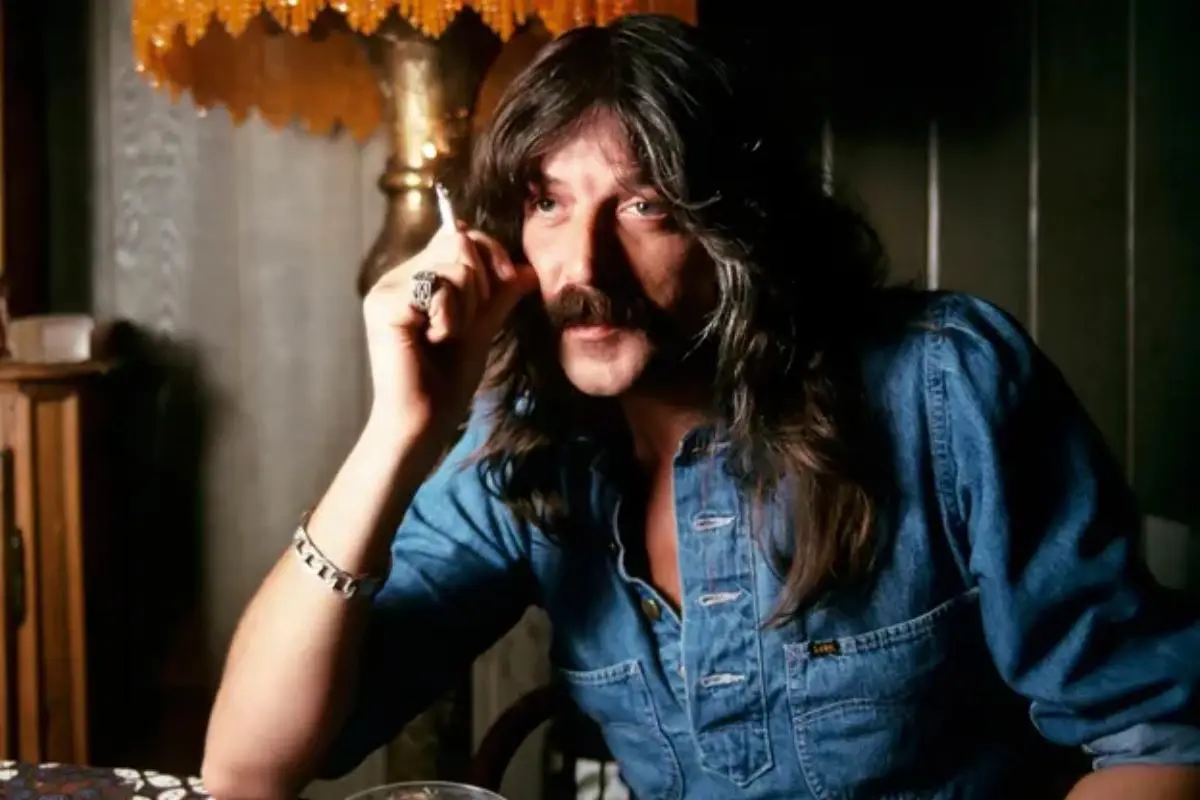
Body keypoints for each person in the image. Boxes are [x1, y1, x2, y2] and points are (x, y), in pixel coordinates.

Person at [200, 14, 1200, 800]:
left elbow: (1163, 738)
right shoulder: (531, 445)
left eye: (643, 205)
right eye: (549, 202)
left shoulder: (943, 385)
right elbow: (249, 766)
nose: (583, 265)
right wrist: (397, 435)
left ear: (737, 224)